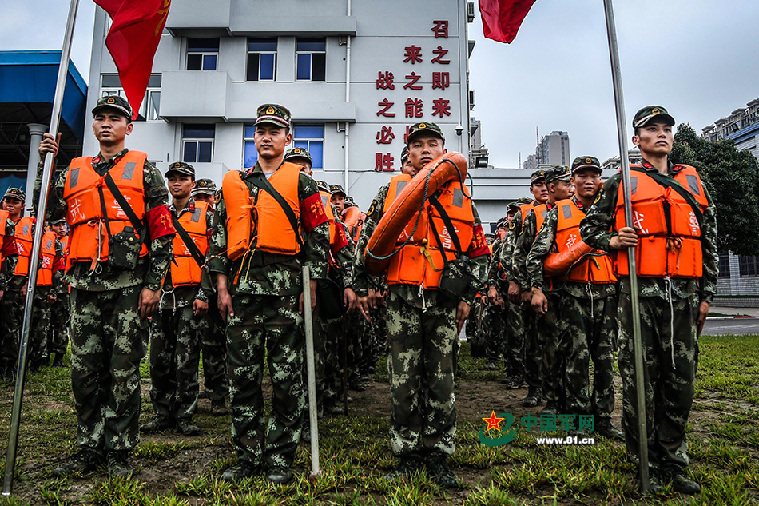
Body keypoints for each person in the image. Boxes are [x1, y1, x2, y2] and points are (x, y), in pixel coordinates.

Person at [580, 106, 717, 494]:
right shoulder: (621, 181)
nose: (661, 134)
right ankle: (646, 462)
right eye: (651, 130)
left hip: (685, 294)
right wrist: (611, 241)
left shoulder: (693, 182)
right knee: (641, 379)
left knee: (681, 380)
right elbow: (590, 227)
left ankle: (674, 458)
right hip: (639, 293)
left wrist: (707, 294)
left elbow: (710, 240)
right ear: (637, 140)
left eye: (666, 129)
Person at [37, 95, 175, 478]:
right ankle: (89, 446)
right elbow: (44, 208)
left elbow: (163, 233)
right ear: (94, 126)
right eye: (100, 119)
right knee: (84, 372)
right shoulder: (74, 171)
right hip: (83, 286)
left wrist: (154, 285)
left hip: (128, 286)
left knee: (123, 372)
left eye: (115, 119)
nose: (106, 124)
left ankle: (119, 450)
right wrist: (45, 166)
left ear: (128, 127)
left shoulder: (145, 170)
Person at [354, 122, 489, 487]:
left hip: (444, 302)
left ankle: (439, 452)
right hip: (402, 300)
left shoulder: (461, 197)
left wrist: (469, 297)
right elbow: (367, 244)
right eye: (418, 145)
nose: (426, 150)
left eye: (433, 144)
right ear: (407, 153)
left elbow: (479, 253)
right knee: (403, 380)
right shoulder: (389, 191)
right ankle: (407, 452)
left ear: (445, 151)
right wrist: (363, 287)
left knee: (442, 379)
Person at [208, 104, 330, 484]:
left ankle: (279, 458)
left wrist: (310, 286)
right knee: (242, 378)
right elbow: (219, 237)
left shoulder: (303, 183)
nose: (265, 136)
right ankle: (246, 456)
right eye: (260, 129)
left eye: (274, 130)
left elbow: (319, 236)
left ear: (287, 138)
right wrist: (222, 286)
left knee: (285, 378)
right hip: (242, 292)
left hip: (285, 291)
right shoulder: (234, 182)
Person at [526, 156, 624, 440]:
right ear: (573, 181)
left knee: (606, 359)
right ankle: (582, 419)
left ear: (600, 180)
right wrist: (536, 288)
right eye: (582, 175)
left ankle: (603, 417)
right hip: (573, 295)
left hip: (608, 294)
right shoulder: (559, 212)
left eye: (594, 174)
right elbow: (537, 254)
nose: (589, 180)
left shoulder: (615, 211)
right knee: (576, 359)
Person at [142, 162, 211, 436]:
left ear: (193, 184)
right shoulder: (157, 214)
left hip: (189, 296)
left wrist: (205, 294)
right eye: (172, 179)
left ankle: (185, 414)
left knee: (186, 360)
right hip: (161, 297)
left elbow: (212, 257)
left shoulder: (206, 214)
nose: (177, 183)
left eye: (183, 179)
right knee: (159, 359)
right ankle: (162, 413)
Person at [499, 175, 548, 390]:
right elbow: (513, 252)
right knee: (531, 337)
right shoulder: (525, 215)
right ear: (531, 189)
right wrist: (516, 282)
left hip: (559, 285)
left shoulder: (565, 210)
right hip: (530, 285)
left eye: (547, 184)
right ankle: (533, 385)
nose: (544, 188)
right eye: (538, 185)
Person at [192, 178, 229, 415]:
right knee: (194, 347)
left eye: (207, 197)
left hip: (214, 289)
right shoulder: (186, 218)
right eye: (199, 197)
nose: (203, 201)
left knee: (216, 344)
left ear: (214, 198)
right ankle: (193, 392)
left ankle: (218, 395)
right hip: (187, 287)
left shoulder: (220, 220)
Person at [48, 217, 70, 368]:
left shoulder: (72, 240)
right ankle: (43, 355)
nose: (62, 227)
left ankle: (59, 358)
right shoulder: (46, 240)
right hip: (47, 288)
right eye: (58, 225)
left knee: (61, 324)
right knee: (46, 324)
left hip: (65, 290)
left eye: (64, 224)